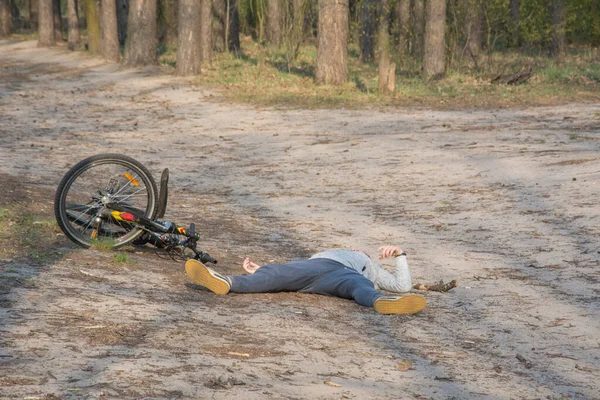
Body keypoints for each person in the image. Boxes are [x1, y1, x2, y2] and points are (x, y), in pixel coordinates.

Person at [185, 245, 426, 315]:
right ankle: (226, 282)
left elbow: (403, 286)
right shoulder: (327, 253)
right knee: (278, 275)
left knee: (359, 286)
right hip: (317, 267)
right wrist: (263, 269)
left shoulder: (372, 267)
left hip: (344, 275)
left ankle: (382, 302)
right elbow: (291, 268)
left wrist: (400, 255)